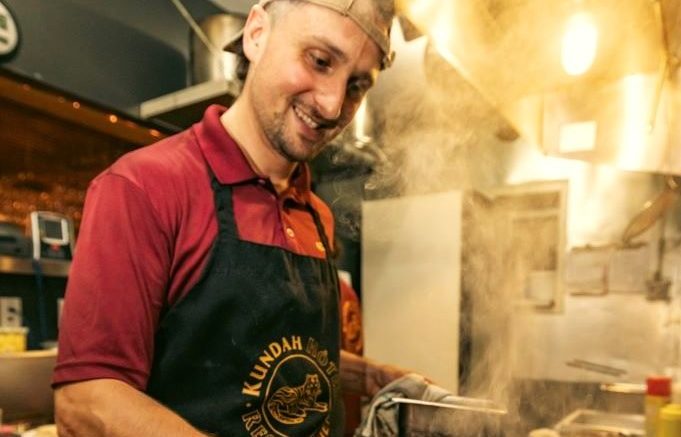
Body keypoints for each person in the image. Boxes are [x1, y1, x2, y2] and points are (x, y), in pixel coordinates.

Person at [53, 0, 409, 436]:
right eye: (319, 61)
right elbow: (85, 400)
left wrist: (376, 378)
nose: (333, 106)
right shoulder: (144, 186)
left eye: (355, 86)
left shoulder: (316, 214)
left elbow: (276, 361)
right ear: (256, 32)